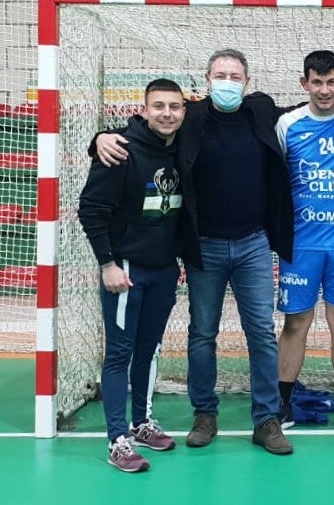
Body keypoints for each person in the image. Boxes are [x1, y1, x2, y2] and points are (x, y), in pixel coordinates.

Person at [93, 49, 295, 455]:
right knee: (202, 334)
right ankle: (205, 414)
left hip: (254, 244)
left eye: (235, 76)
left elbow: (299, 109)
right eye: (220, 74)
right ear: (206, 81)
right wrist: (98, 138)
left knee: (262, 333)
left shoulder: (262, 111)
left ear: (247, 82)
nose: (228, 82)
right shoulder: (191, 119)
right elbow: (146, 128)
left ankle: (267, 419)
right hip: (205, 248)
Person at [78, 78, 185, 472]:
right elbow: (90, 209)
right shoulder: (119, 150)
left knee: (149, 350)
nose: (167, 113)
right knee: (120, 354)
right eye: (158, 106)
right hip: (125, 269)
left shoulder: (183, 146)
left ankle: (141, 422)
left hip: (163, 270)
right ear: (143, 109)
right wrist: (107, 264)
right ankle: (116, 439)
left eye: (174, 107)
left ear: (183, 112)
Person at [275, 50, 334, 436]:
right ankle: (281, 403)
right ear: (304, 83)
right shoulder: (288, 124)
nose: (325, 90)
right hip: (301, 245)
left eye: (332, 82)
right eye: (317, 82)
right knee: (296, 323)